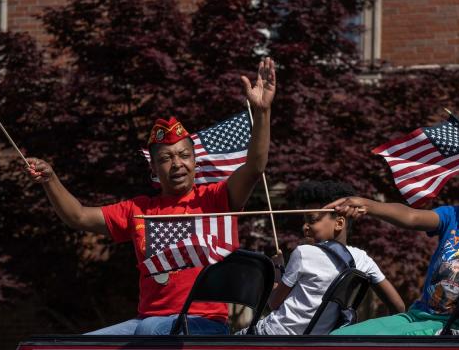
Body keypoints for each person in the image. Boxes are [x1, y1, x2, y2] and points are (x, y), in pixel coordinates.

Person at [26, 58, 276, 335]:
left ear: (195, 161)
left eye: (184, 155)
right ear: (154, 168)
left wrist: (262, 112)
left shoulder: (215, 198)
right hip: (148, 323)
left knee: (150, 332)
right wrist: (50, 180)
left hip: (202, 324)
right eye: (167, 158)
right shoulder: (138, 209)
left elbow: (255, 166)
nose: (177, 164)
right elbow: (78, 215)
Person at [328, 149, 459, 336]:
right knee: (339, 338)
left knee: (371, 343)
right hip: (416, 317)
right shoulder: (453, 216)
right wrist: (367, 205)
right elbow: (411, 217)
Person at [252, 181, 405, 335]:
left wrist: (277, 269)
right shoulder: (363, 260)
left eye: (311, 220)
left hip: (271, 336)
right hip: (317, 344)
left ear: (339, 223)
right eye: (304, 221)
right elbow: (398, 307)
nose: (305, 226)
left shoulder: (303, 253)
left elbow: (273, 303)